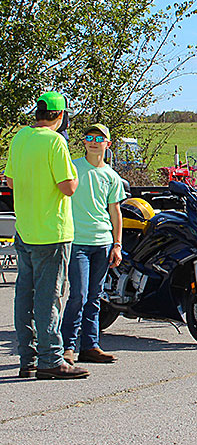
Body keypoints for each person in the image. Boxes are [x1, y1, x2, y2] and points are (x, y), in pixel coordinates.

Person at [4, 91, 89, 379]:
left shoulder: (20, 138)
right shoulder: (55, 142)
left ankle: (27, 359)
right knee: (49, 298)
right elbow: (68, 186)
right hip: (52, 231)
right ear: (61, 116)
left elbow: (11, 181)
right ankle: (51, 358)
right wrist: (74, 175)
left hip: (25, 229)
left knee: (24, 297)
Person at [61, 124, 127, 365]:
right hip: (76, 242)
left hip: (102, 243)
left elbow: (115, 211)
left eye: (99, 138)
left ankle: (90, 346)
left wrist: (117, 244)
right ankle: (67, 346)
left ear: (107, 144)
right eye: (89, 137)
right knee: (77, 295)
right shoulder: (73, 167)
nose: (93, 141)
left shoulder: (111, 176)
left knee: (95, 296)